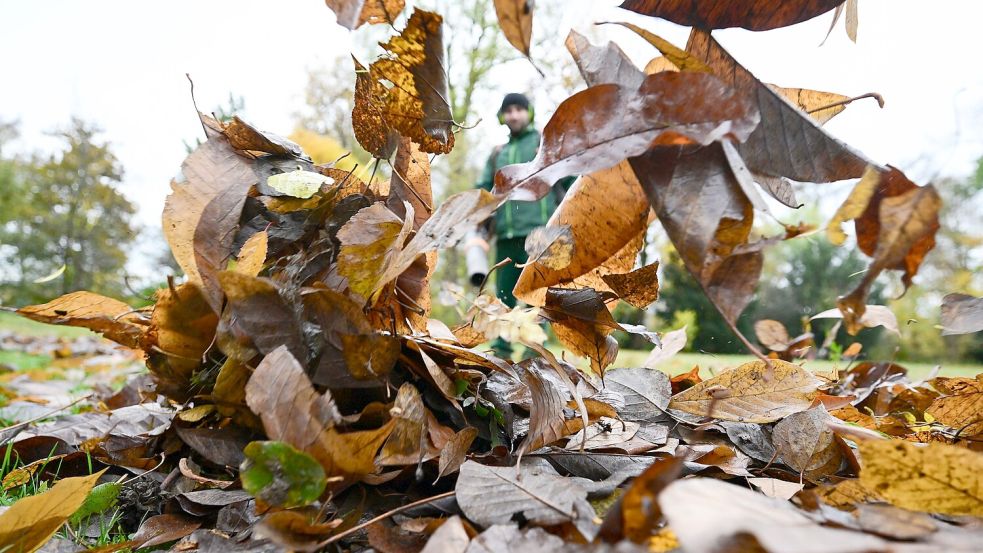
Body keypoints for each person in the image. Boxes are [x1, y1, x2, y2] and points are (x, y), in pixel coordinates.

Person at [475, 92, 572, 358]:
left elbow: (570, 175)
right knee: (504, 295)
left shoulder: (544, 143)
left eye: (519, 109)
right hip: (506, 233)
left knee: (538, 293)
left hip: (542, 232)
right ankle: (501, 350)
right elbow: (483, 189)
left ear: (528, 113)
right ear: (502, 117)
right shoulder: (498, 154)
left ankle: (535, 350)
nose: (514, 115)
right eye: (508, 110)